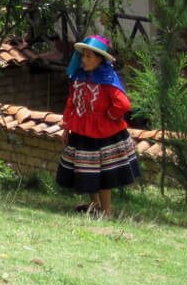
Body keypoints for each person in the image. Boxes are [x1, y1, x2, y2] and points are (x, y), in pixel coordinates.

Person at [56, 35, 140, 219]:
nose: (84, 60)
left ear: (99, 59)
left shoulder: (107, 79)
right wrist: (66, 127)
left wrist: (109, 115)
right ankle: (94, 206)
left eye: (89, 57)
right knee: (87, 170)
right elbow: (71, 103)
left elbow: (123, 104)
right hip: (81, 130)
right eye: (83, 56)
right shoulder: (78, 77)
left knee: (104, 173)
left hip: (104, 133)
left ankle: (107, 212)